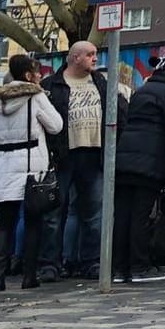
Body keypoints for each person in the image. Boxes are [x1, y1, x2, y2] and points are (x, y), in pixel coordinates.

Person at [41, 41, 116, 280]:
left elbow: (118, 111)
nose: (95, 59)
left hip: (94, 153)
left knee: (94, 213)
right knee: (54, 212)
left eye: (95, 54)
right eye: (90, 55)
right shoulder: (52, 85)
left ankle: (92, 261)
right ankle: (50, 263)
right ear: (75, 58)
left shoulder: (101, 83)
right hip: (64, 155)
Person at [0, 54, 63, 292]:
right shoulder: (35, 96)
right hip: (32, 163)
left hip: (6, 161)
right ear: (29, 74)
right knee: (33, 221)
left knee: (4, 223)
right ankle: (29, 275)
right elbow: (56, 125)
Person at [114, 54, 165, 283]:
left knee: (123, 213)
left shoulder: (141, 90)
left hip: (125, 156)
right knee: (141, 214)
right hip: (150, 158)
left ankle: (118, 268)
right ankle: (139, 267)